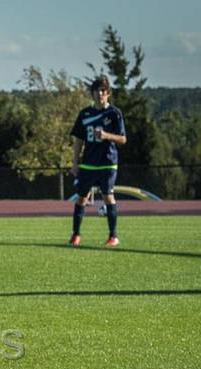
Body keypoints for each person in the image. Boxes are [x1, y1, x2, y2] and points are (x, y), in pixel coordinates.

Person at [69, 74, 126, 247]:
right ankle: (76, 235)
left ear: (108, 93)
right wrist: (75, 163)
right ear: (92, 94)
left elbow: (123, 139)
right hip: (88, 163)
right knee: (81, 198)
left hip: (108, 162)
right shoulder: (85, 113)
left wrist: (107, 135)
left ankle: (113, 236)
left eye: (103, 91)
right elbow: (79, 140)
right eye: (97, 91)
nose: (100, 94)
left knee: (108, 197)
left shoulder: (114, 113)